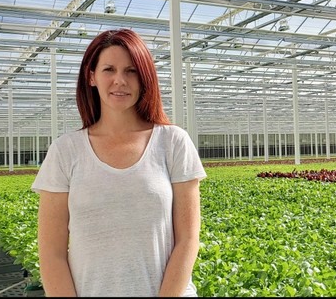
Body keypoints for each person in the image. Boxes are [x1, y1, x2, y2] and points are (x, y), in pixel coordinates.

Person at [31, 28, 207, 297]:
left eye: (131, 71)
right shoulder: (65, 151)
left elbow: (187, 240)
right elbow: (52, 253)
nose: (120, 81)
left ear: (144, 77)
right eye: (109, 70)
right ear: (91, 76)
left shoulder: (173, 142)